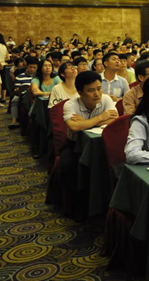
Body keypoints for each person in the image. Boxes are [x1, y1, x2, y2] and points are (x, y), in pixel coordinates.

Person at [61, 71, 118, 220]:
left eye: (99, 88)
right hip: (75, 146)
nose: (97, 94)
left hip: (102, 146)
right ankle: (76, 207)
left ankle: (106, 207)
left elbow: (115, 120)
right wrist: (101, 118)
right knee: (68, 165)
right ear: (80, 93)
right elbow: (74, 127)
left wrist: (85, 123)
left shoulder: (106, 99)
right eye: (91, 90)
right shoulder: (70, 104)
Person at [8, 56, 38, 128]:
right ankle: (14, 121)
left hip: (36, 94)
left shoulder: (38, 76)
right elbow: (17, 89)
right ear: (27, 66)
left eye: (34, 67)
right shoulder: (20, 76)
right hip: (22, 95)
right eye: (30, 67)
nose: (32, 69)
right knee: (14, 100)